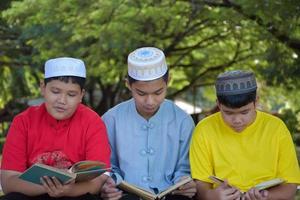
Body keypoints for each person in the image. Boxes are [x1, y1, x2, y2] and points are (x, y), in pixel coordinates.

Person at [0, 57, 111, 200]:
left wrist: (69, 191)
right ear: (43, 88)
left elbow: (99, 178)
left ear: (81, 95)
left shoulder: (92, 122)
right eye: (55, 91)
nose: (62, 101)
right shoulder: (23, 122)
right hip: (32, 194)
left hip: (75, 194)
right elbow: (9, 181)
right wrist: (52, 186)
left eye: (71, 94)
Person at [101, 47, 197, 200]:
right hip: (126, 196)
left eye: (158, 92)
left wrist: (185, 184)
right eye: (141, 93)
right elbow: (108, 167)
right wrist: (109, 184)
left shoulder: (182, 121)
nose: (150, 101)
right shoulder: (111, 119)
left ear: (168, 81)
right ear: (128, 85)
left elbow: (184, 169)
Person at [189, 70, 300, 200]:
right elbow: (201, 183)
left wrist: (266, 196)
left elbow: (290, 186)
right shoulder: (204, 129)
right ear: (218, 104)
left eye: (244, 112)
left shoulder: (276, 128)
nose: (237, 120)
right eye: (229, 113)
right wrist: (211, 195)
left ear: (256, 102)